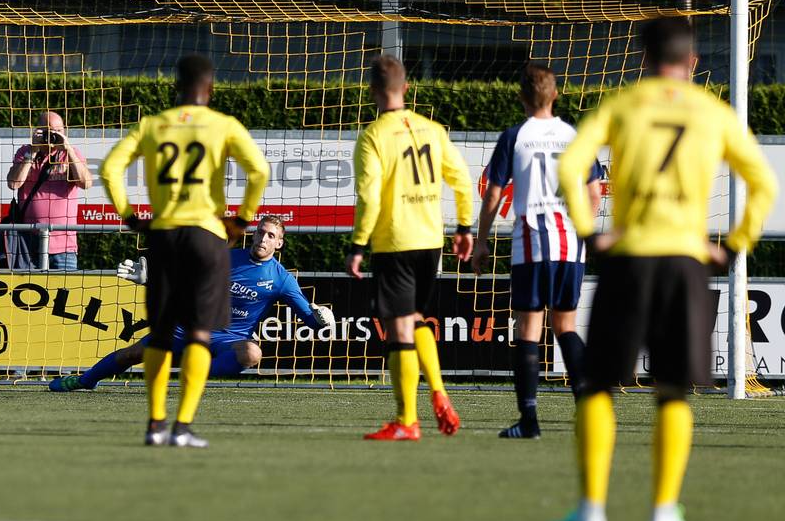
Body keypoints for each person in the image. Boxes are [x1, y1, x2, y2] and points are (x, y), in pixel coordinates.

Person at [548, 18, 777, 521]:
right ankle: (664, 514)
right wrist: (734, 245)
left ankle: (591, 512)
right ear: (691, 61)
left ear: (643, 58)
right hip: (683, 263)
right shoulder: (712, 112)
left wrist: (588, 232)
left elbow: (571, 166)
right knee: (673, 391)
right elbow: (762, 182)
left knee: (600, 387)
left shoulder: (624, 104)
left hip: (628, 258)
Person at [100, 53, 270, 448]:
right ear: (209, 89)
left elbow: (111, 169)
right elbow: (259, 170)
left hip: (164, 234)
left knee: (160, 332)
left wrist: (129, 216)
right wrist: (242, 220)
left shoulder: (153, 125)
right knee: (198, 331)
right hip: (206, 236)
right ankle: (182, 427)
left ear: (175, 87)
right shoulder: (223, 125)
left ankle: (155, 424)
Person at [343, 55, 474, 441]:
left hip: (396, 241)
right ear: (407, 89)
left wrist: (357, 245)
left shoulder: (373, 136)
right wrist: (464, 226)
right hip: (430, 241)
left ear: (372, 92)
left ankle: (407, 420)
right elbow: (463, 181)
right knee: (414, 319)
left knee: (398, 330)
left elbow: (369, 198)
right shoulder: (432, 129)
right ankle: (437, 389)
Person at [48, 216, 335, 392]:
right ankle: (85, 381)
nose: (263, 237)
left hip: (228, 340)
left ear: (279, 244)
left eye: (271, 235)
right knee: (130, 355)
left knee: (251, 353)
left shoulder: (282, 280)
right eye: (261, 231)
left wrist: (322, 318)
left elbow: (309, 319)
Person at [472, 63, 604, 439]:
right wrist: (585, 232)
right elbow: (594, 192)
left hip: (531, 240)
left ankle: (529, 421)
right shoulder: (573, 135)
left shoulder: (516, 136)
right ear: (555, 95)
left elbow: (494, 194)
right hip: (568, 243)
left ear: (521, 97)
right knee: (566, 326)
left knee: (529, 329)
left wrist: (482, 243)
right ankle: (589, 412)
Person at [6, 111, 94, 270]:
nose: (53, 135)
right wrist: (33, 151)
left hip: (64, 247)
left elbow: (86, 183)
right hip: (29, 244)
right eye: (48, 131)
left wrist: (68, 150)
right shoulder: (25, 152)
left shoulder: (70, 154)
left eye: (58, 131)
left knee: (64, 292)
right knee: (28, 292)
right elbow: (13, 183)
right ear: (38, 131)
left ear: (64, 131)